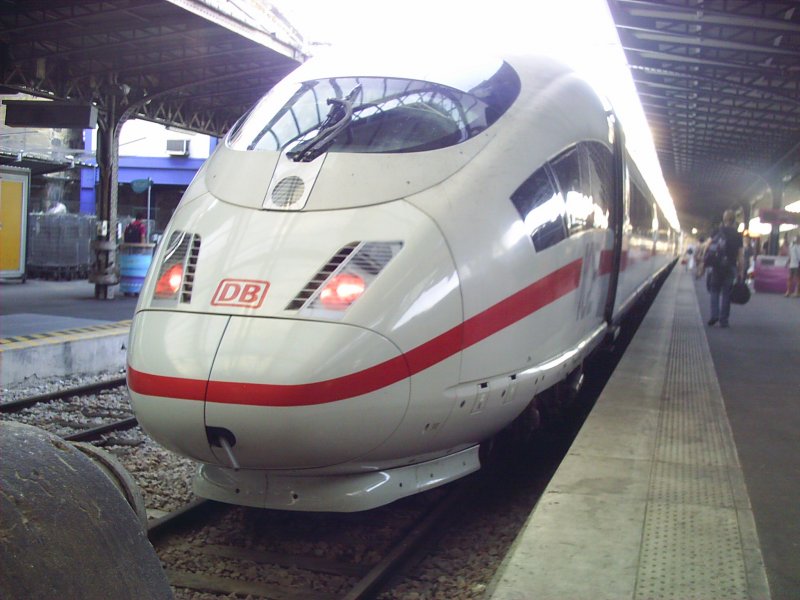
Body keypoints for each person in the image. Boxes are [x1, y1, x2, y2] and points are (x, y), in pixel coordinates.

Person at [705, 209, 744, 328]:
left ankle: (714, 315)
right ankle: (724, 320)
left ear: (724, 219)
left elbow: (708, 246)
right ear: (734, 220)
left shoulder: (717, 231)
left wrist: (704, 261)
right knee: (727, 293)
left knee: (714, 290)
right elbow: (740, 255)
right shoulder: (738, 235)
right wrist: (741, 271)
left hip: (717, 266)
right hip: (730, 266)